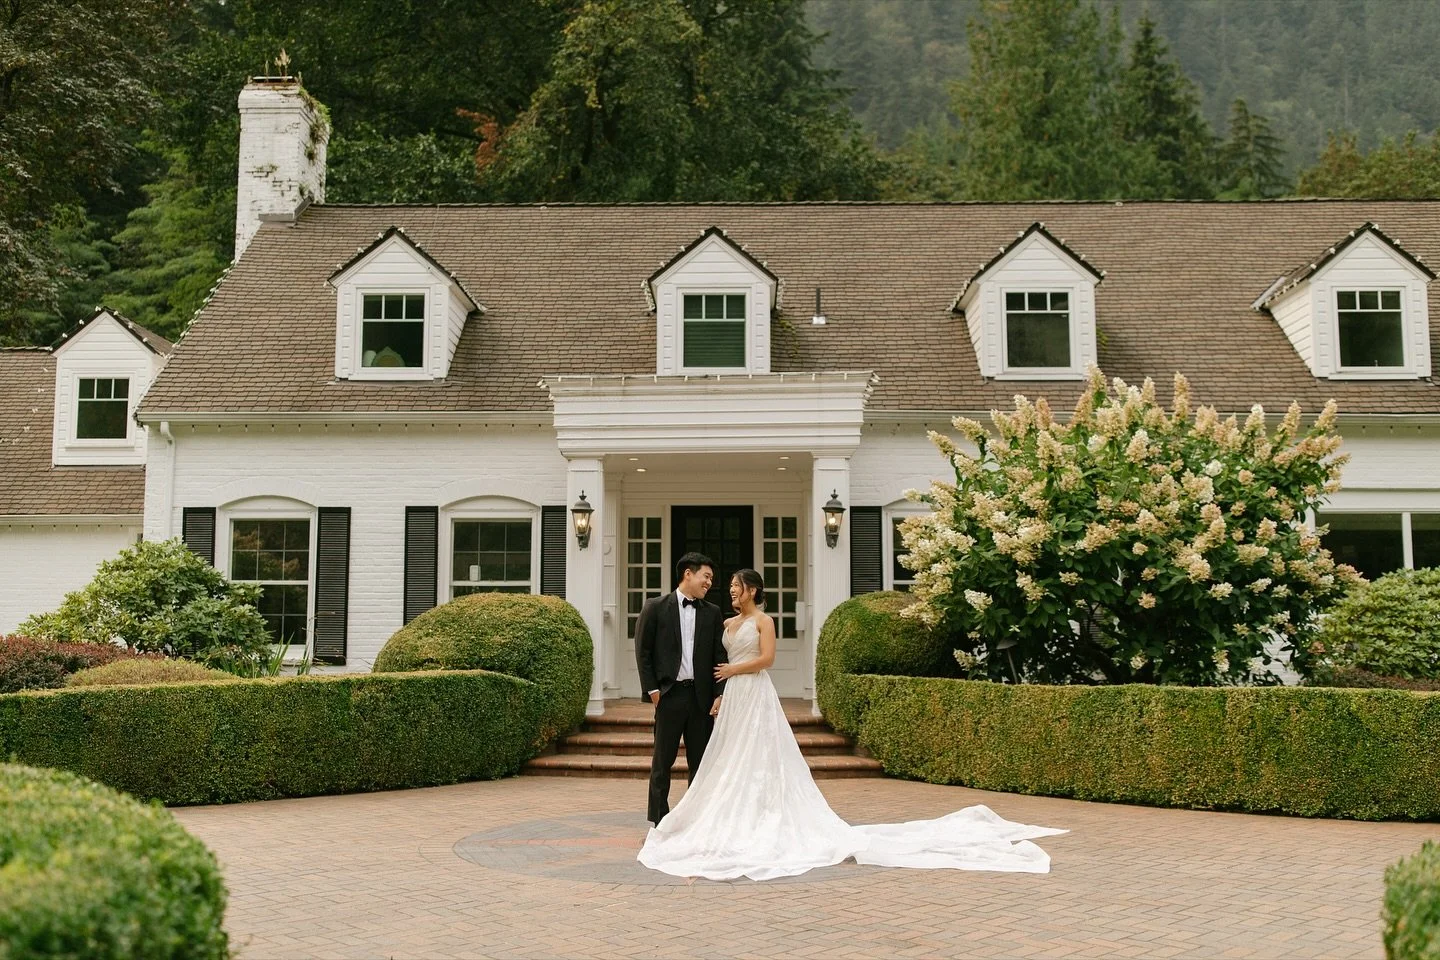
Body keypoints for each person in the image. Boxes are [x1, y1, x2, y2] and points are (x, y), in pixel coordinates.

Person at [637, 568, 1067, 881]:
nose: (727, 590)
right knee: (722, 758)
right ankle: (698, 815)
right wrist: (716, 693)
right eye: (721, 583)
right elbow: (705, 655)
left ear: (751, 589)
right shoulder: (725, 621)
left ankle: (760, 814)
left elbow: (767, 659)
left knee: (758, 756)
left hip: (754, 693)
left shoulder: (764, 621)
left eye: (733, 585)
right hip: (725, 699)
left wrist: (732, 675)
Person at [633, 551, 728, 826]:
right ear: (688, 573)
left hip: (701, 699)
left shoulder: (712, 613)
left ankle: (695, 819)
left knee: (700, 763)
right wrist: (652, 691)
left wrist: (719, 694)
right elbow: (643, 652)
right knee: (662, 762)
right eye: (706, 576)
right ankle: (659, 821)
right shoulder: (655, 607)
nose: (710, 583)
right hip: (669, 695)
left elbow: (719, 658)